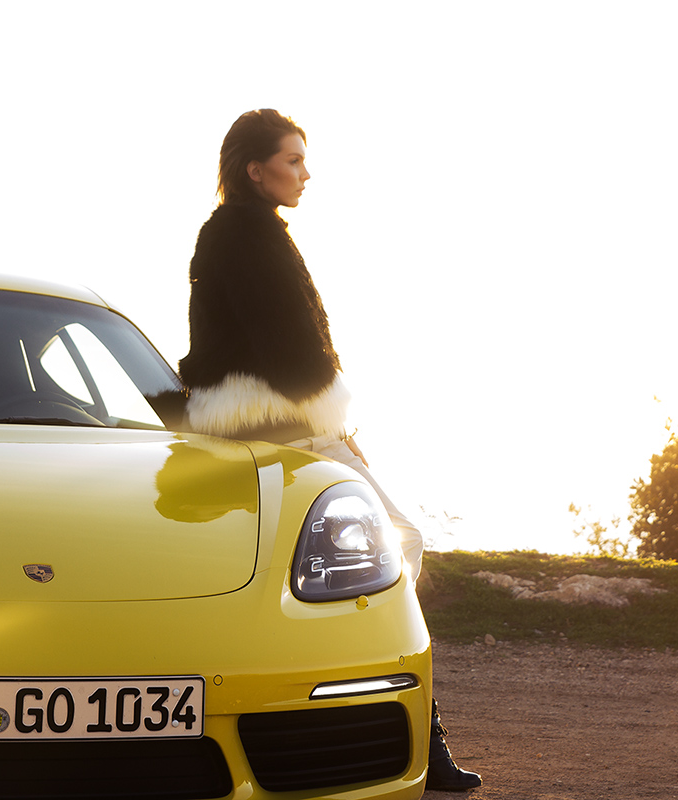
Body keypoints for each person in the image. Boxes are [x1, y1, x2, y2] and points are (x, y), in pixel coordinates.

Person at [178, 109, 483, 793]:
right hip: (280, 421)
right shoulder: (246, 235)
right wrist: (330, 416)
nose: (306, 174)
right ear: (255, 170)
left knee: (302, 566)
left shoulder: (240, 231)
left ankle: (394, 724)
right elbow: (290, 347)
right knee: (398, 539)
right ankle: (408, 726)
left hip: (261, 419)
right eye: (293, 161)